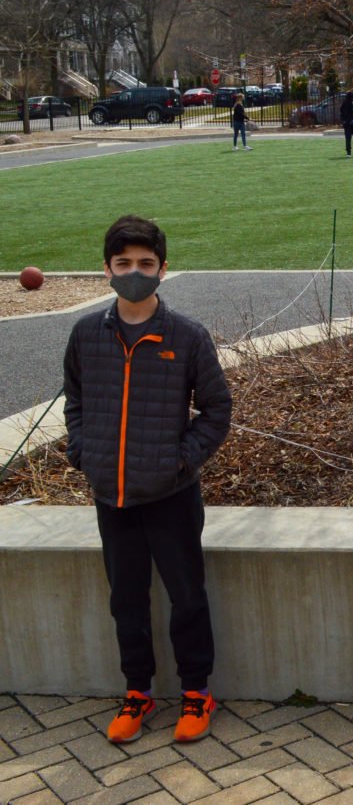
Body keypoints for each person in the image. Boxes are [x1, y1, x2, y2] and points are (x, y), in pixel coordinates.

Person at [63, 215, 232, 744]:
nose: (134, 273)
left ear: (163, 270)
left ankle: (196, 691)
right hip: (110, 496)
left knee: (186, 595)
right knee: (126, 599)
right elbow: (76, 402)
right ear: (107, 270)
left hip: (171, 496)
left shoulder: (186, 337)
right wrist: (83, 452)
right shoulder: (87, 333)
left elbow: (216, 410)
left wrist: (180, 461)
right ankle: (137, 691)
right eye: (123, 265)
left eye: (145, 264)